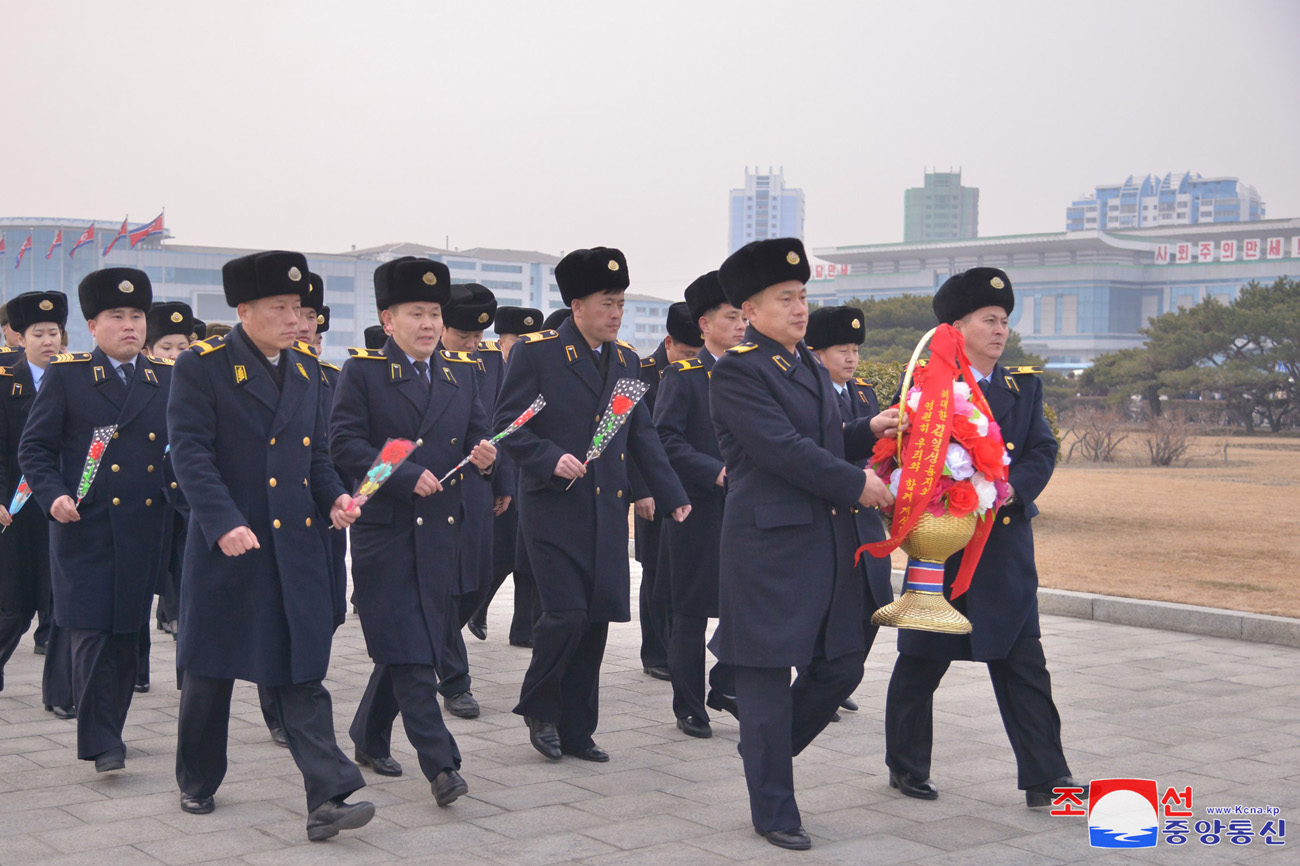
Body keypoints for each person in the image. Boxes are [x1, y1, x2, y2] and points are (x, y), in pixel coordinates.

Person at [167, 250, 372, 840]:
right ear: (244, 310)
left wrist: (334, 497)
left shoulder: (307, 371)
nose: (293, 319)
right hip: (231, 545)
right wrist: (221, 520)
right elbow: (191, 454)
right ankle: (197, 780)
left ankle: (329, 796)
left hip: (296, 550)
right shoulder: (202, 367)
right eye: (279, 308)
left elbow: (316, 455)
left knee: (300, 674)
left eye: (299, 308)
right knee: (210, 674)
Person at [709, 238, 896, 850]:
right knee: (763, 677)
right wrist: (858, 483)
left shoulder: (806, 366)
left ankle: (765, 752)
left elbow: (820, 437)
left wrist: (867, 429)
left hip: (825, 546)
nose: (799, 309)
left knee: (841, 665)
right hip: (768, 551)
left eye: (803, 297)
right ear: (751, 311)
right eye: (785, 299)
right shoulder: (738, 370)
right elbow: (781, 450)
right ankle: (774, 808)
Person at [883, 267, 1087, 809]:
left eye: (1004, 321)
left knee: (1024, 662)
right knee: (923, 660)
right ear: (957, 327)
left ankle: (1048, 778)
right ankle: (906, 766)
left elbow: (1042, 449)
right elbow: (905, 458)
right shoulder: (929, 387)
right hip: (945, 548)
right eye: (988, 320)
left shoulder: (1023, 385)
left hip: (1003, 550)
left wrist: (1011, 491)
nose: (1000, 330)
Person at [494, 246, 689, 762]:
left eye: (621, 303)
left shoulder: (625, 360)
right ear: (577, 306)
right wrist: (547, 457)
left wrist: (671, 496)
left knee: (596, 620)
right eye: (607, 303)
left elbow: (641, 435)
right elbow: (510, 426)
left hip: (605, 511)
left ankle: (579, 729)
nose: (616, 313)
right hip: (553, 508)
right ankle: (541, 707)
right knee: (565, 615)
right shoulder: (537, 354)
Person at [332, 256, 495, 806]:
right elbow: (346, 448)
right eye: (415, 313)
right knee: (413, 654)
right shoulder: (364, 372)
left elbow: (476, 435)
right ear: (388, 319)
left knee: (408, 645)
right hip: (388, 532)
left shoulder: (460, 372)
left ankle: (369, 733)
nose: (427, 324)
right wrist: (402, 475)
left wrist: (485, 455)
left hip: (443, 532)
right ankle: (442, 764)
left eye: (433, 314)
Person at [18, 270, 173, 774]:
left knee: (127, 635)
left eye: (136, 317)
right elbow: (35, 447)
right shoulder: (69, 374)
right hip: (84, 526)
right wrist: (54, 495)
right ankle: (101, 741)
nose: (129, 326)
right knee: (90, 632)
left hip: (144, 528)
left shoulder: (164, 378)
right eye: (116, 317)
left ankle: (112, 729)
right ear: (92, 325)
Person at [653, 273, 746, 739]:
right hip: (698, 511)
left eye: (744, 317)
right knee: (691, 613)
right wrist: (713, 470)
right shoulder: (683, 377)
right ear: (705, 325)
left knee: (746, 606)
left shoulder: (755, 373)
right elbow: (663, 438)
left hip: (748, 512)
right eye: (732, 318)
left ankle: (725, 683)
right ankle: (688, 705)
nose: (741, 326)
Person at [804, 305, 895, 717]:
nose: (851, 357)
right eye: (841, 348)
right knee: (824, 609)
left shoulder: (864, 393)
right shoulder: (807, 394)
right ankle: (822, 683)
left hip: (868, 516)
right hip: (832, 512)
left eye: (855, 348)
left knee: (877, 601)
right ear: (816, 352)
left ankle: (840, 676)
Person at [425, 282, 509, 719]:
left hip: (476, 487)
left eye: (479, 338)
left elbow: (495, 424)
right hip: (431, 491)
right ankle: (455, 681)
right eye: (464, 338)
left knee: (475, 583)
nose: (473, 346)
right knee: (442, 590)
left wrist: (499, 475)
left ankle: (429, 644)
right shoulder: (420, 365)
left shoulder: (489, 362)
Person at [0, 292, 72, 712]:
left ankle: (60, 695)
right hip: (15, 510)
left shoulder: (76, 378)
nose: (48, 341)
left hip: (62, 506)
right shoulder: (5, 379)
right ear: (18, 336)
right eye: (38, 334)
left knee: (61, 605)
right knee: (15, 606)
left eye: (54, 333)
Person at [632, 302, 703, 681]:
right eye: (688, 353)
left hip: (692, 490)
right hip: (654, 492)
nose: (693, 359)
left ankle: (679, 649)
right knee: (655, 571)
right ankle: (655, 652)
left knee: (685, 574)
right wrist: (641, 490)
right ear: (668, 342)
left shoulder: (706, 372)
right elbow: (635, 438)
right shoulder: (642, 372)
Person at [468, 305, 544, 647]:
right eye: (516, 338)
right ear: (501, 340)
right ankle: (477, 606)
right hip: (494, 470)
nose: (522, 344)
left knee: (524, 556)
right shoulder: (486, 364)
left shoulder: (537, 366)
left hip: (524, 471)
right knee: (501, 553)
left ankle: (523, 628)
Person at [137, 301, 197, 687]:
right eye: (166, 348)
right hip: (150, 498)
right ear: (149, 351)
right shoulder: (144, 387)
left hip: (190, 499)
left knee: (187, 580)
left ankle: (185, 674)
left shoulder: (201, 384)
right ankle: (138, 672)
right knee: (142, 586)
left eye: (182, 346)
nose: (175, 355)